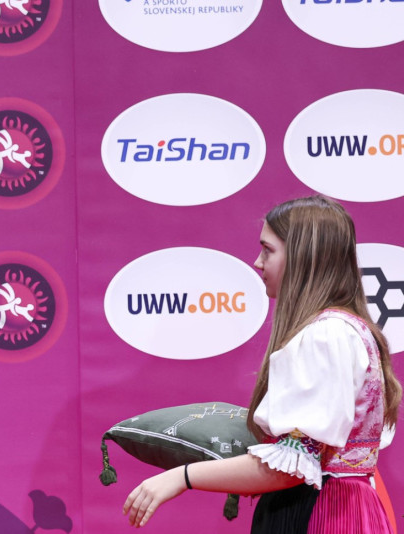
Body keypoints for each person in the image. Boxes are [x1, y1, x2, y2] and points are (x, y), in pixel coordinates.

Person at [123, 195, 401, 532]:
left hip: (321, 512)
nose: (257, 262)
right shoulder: (349, 329)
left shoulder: (324, 335)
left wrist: (181, 476)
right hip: (347, 506)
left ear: (302, 258)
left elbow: (291, 465)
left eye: (268, 250)